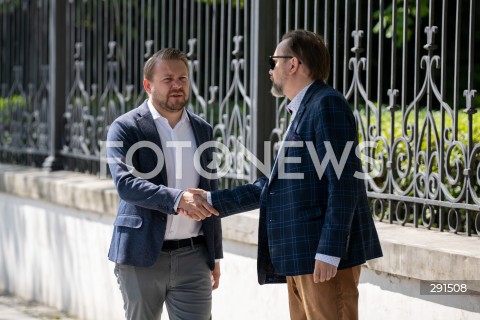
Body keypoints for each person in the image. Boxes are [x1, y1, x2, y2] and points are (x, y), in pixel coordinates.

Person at [184, 30, 383, 320]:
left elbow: (344, 184)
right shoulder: (303, 110)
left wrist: (330, 251)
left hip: (323, 260)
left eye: (274, 61)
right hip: (302, 257)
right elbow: (272, 186)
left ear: (293, 64)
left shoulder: (326, 104)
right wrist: (213, 199)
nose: (270, 69)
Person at [106, 48, 222, 320]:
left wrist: (214, 254)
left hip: (194, 256)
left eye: (182, 78)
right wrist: (177, 198)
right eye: (167, 79)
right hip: (141, 254)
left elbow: (210, 192)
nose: (177, 85)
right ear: (148, 85)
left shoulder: (202, 129)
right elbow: (126, 184)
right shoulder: (125, 128)